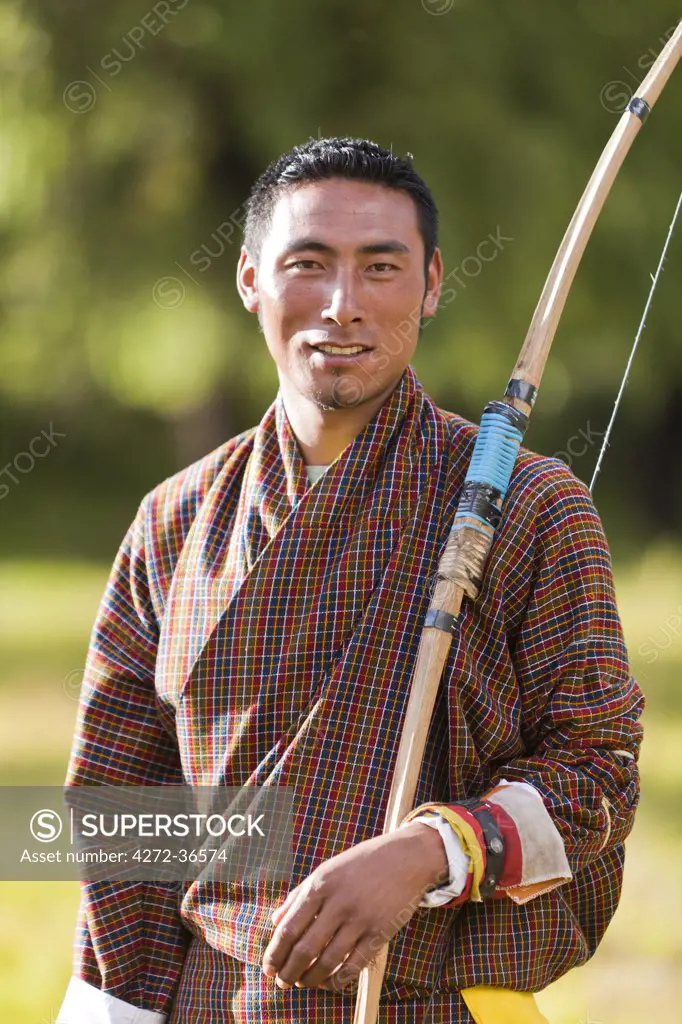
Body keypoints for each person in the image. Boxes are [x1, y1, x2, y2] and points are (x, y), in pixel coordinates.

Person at [57, 137, 644, 1024]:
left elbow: (599, 774)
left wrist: (430, 850)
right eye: (309, 264)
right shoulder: (174, 522)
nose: (343, 305)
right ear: (251, 278)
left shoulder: (528, 505)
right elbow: (118, 813)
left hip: (434, 1001)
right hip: (212, 1001)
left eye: (381, 267)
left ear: (433, 282)